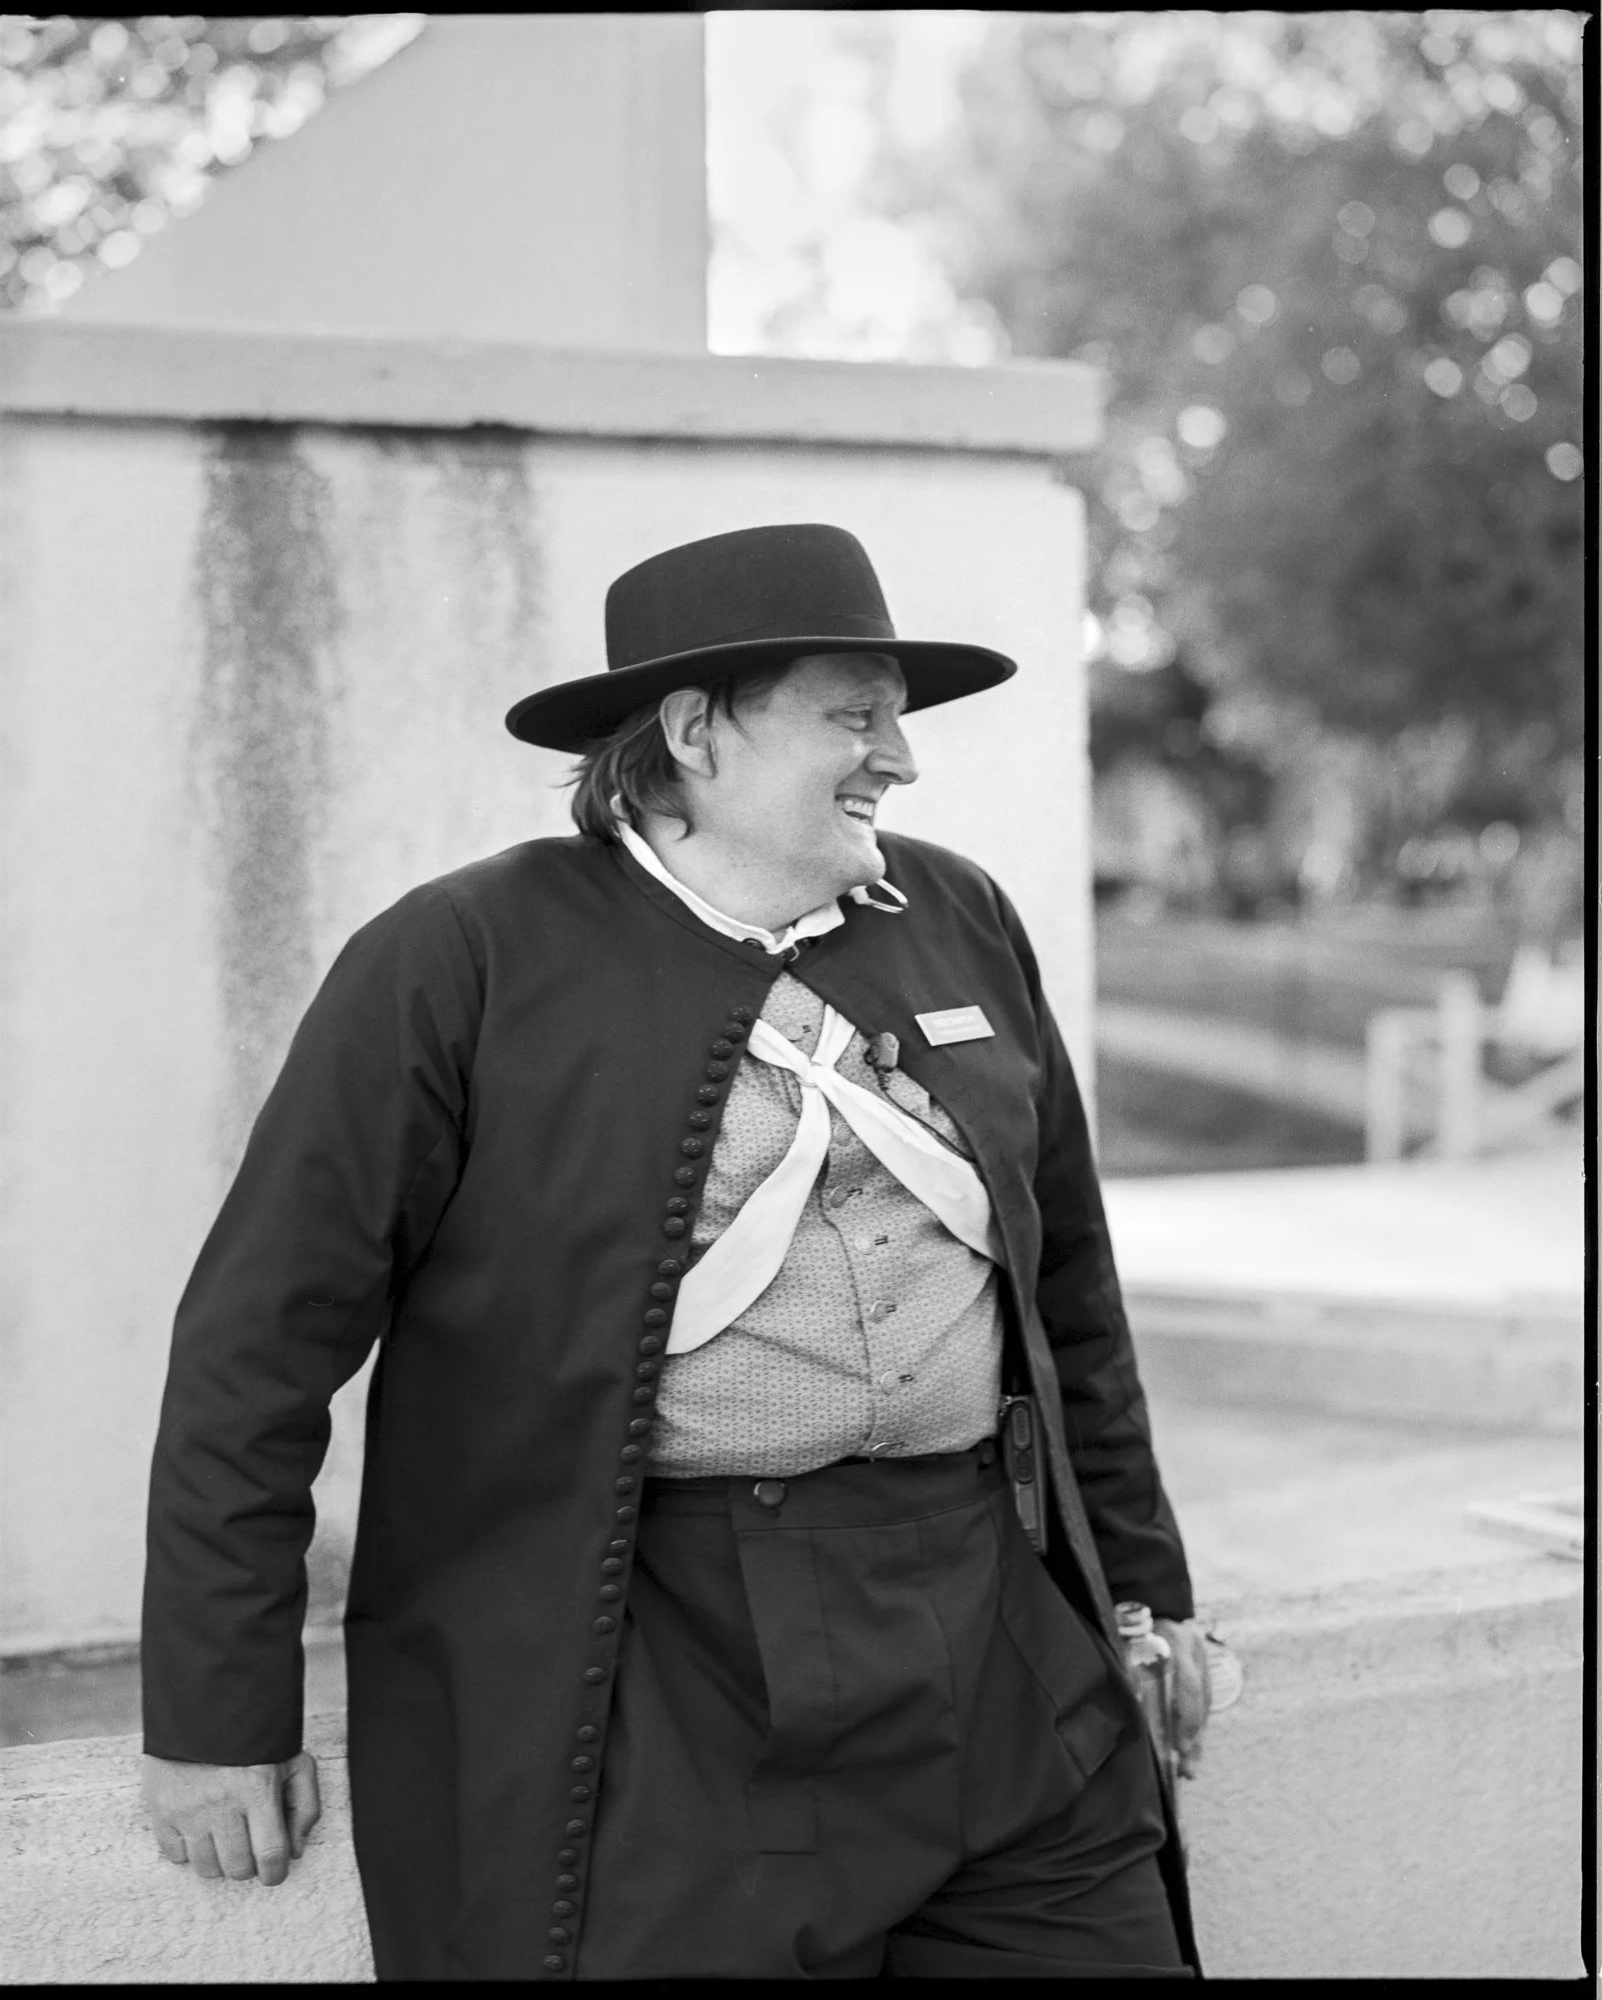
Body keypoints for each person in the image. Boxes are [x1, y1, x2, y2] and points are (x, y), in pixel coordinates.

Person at [141, 522, 1211, 1980]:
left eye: (896, 715)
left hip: (991, 1624)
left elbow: (1071, 1293)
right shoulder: (460, 958)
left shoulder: (961, 915)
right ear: (696, 732)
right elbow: (254, 1349)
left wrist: (1148, 1597)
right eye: (854, 712)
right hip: (676, 1663)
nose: (900, 756)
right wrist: (217, 1712)